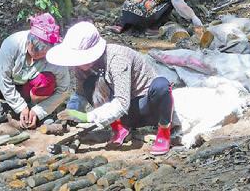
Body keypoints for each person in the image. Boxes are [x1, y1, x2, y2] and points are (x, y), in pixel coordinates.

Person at [46, 22, 175, 155]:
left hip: (145, 106)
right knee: (89, 84)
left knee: (161, 86)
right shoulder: (81, 68)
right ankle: (119, 128)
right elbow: (81, 93)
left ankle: (164, 131)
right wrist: (71, 111)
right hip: (123, 115)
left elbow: (122, 102)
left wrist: (87, 117)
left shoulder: (118, 59)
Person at [0, 13, 70, 127]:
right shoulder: (12, 43)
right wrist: (21, 107)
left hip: (30, 90)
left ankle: (35, 112)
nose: (36, 54)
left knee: (47, 79)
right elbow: (3, 78)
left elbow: (63, 89)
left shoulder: (57, 56)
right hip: (2, 85)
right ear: (29, 40)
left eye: (42, 52)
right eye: (34, 49)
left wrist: (39, 111)